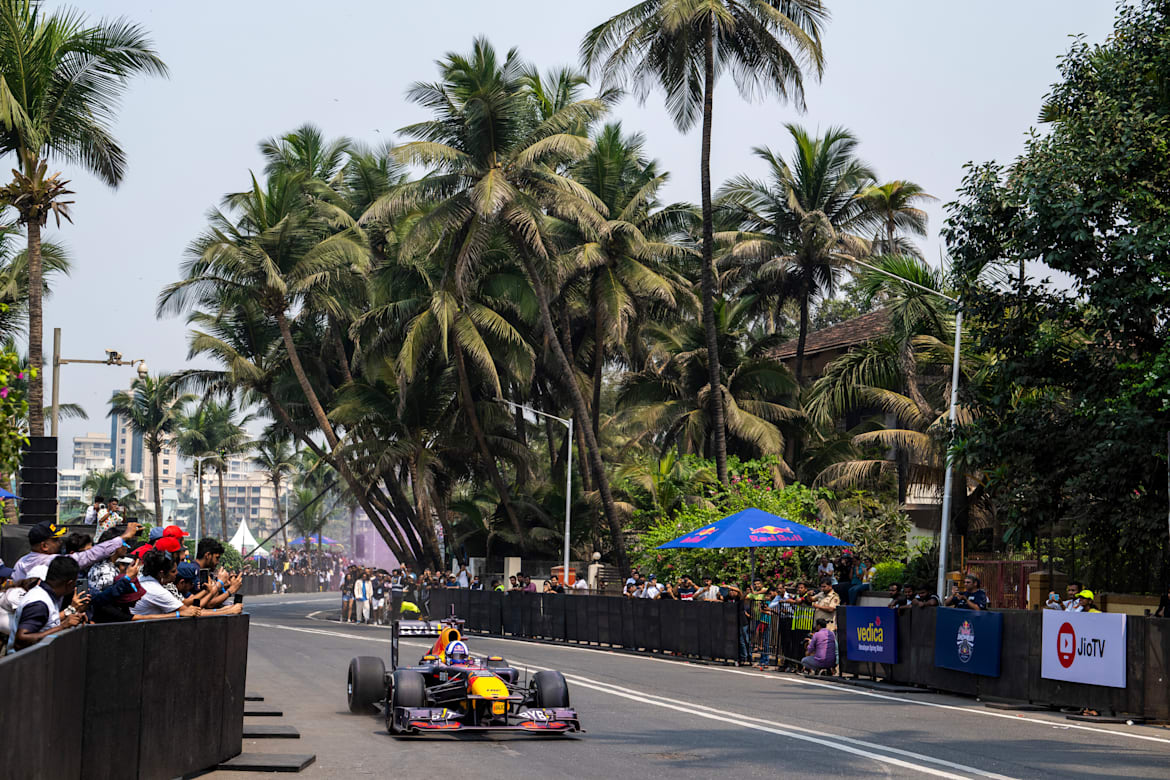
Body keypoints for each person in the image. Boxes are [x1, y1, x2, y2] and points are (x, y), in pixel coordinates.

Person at [12, 519, 141, 581]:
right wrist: (124, 537)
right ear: (44, 546)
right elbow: (90, 555)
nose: (60, 542)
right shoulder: (52, 561)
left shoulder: (20, 562)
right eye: (56, 540)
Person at [8, 558, 88, 652]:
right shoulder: (39, 603)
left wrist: (71, 619)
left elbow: (46, 627)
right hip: (25, 664)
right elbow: (21, 641)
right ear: (69, 583)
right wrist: (63, 627)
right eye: (75, 582)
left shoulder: (47, 596)